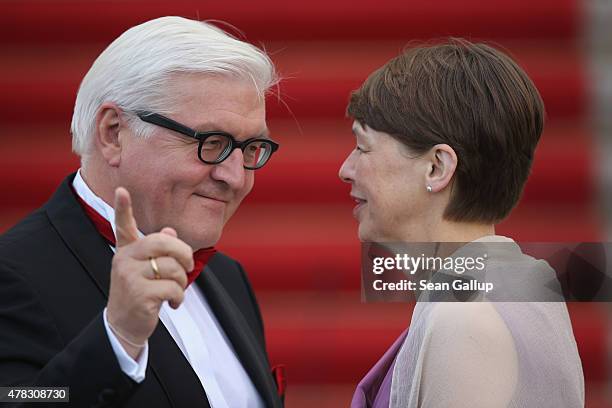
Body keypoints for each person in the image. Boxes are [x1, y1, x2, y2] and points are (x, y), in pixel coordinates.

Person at [0, 16, 283, 408]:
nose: (235, 177)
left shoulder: (228, 277)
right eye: (212, 142)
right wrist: (118, 338)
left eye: (251, 148)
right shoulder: (11, 273)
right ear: (113, 132)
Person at [339, 39, 584, 407]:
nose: (346, 170)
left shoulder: (467, 319)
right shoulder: (514, 289)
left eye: (363, 147)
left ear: (437, 167)